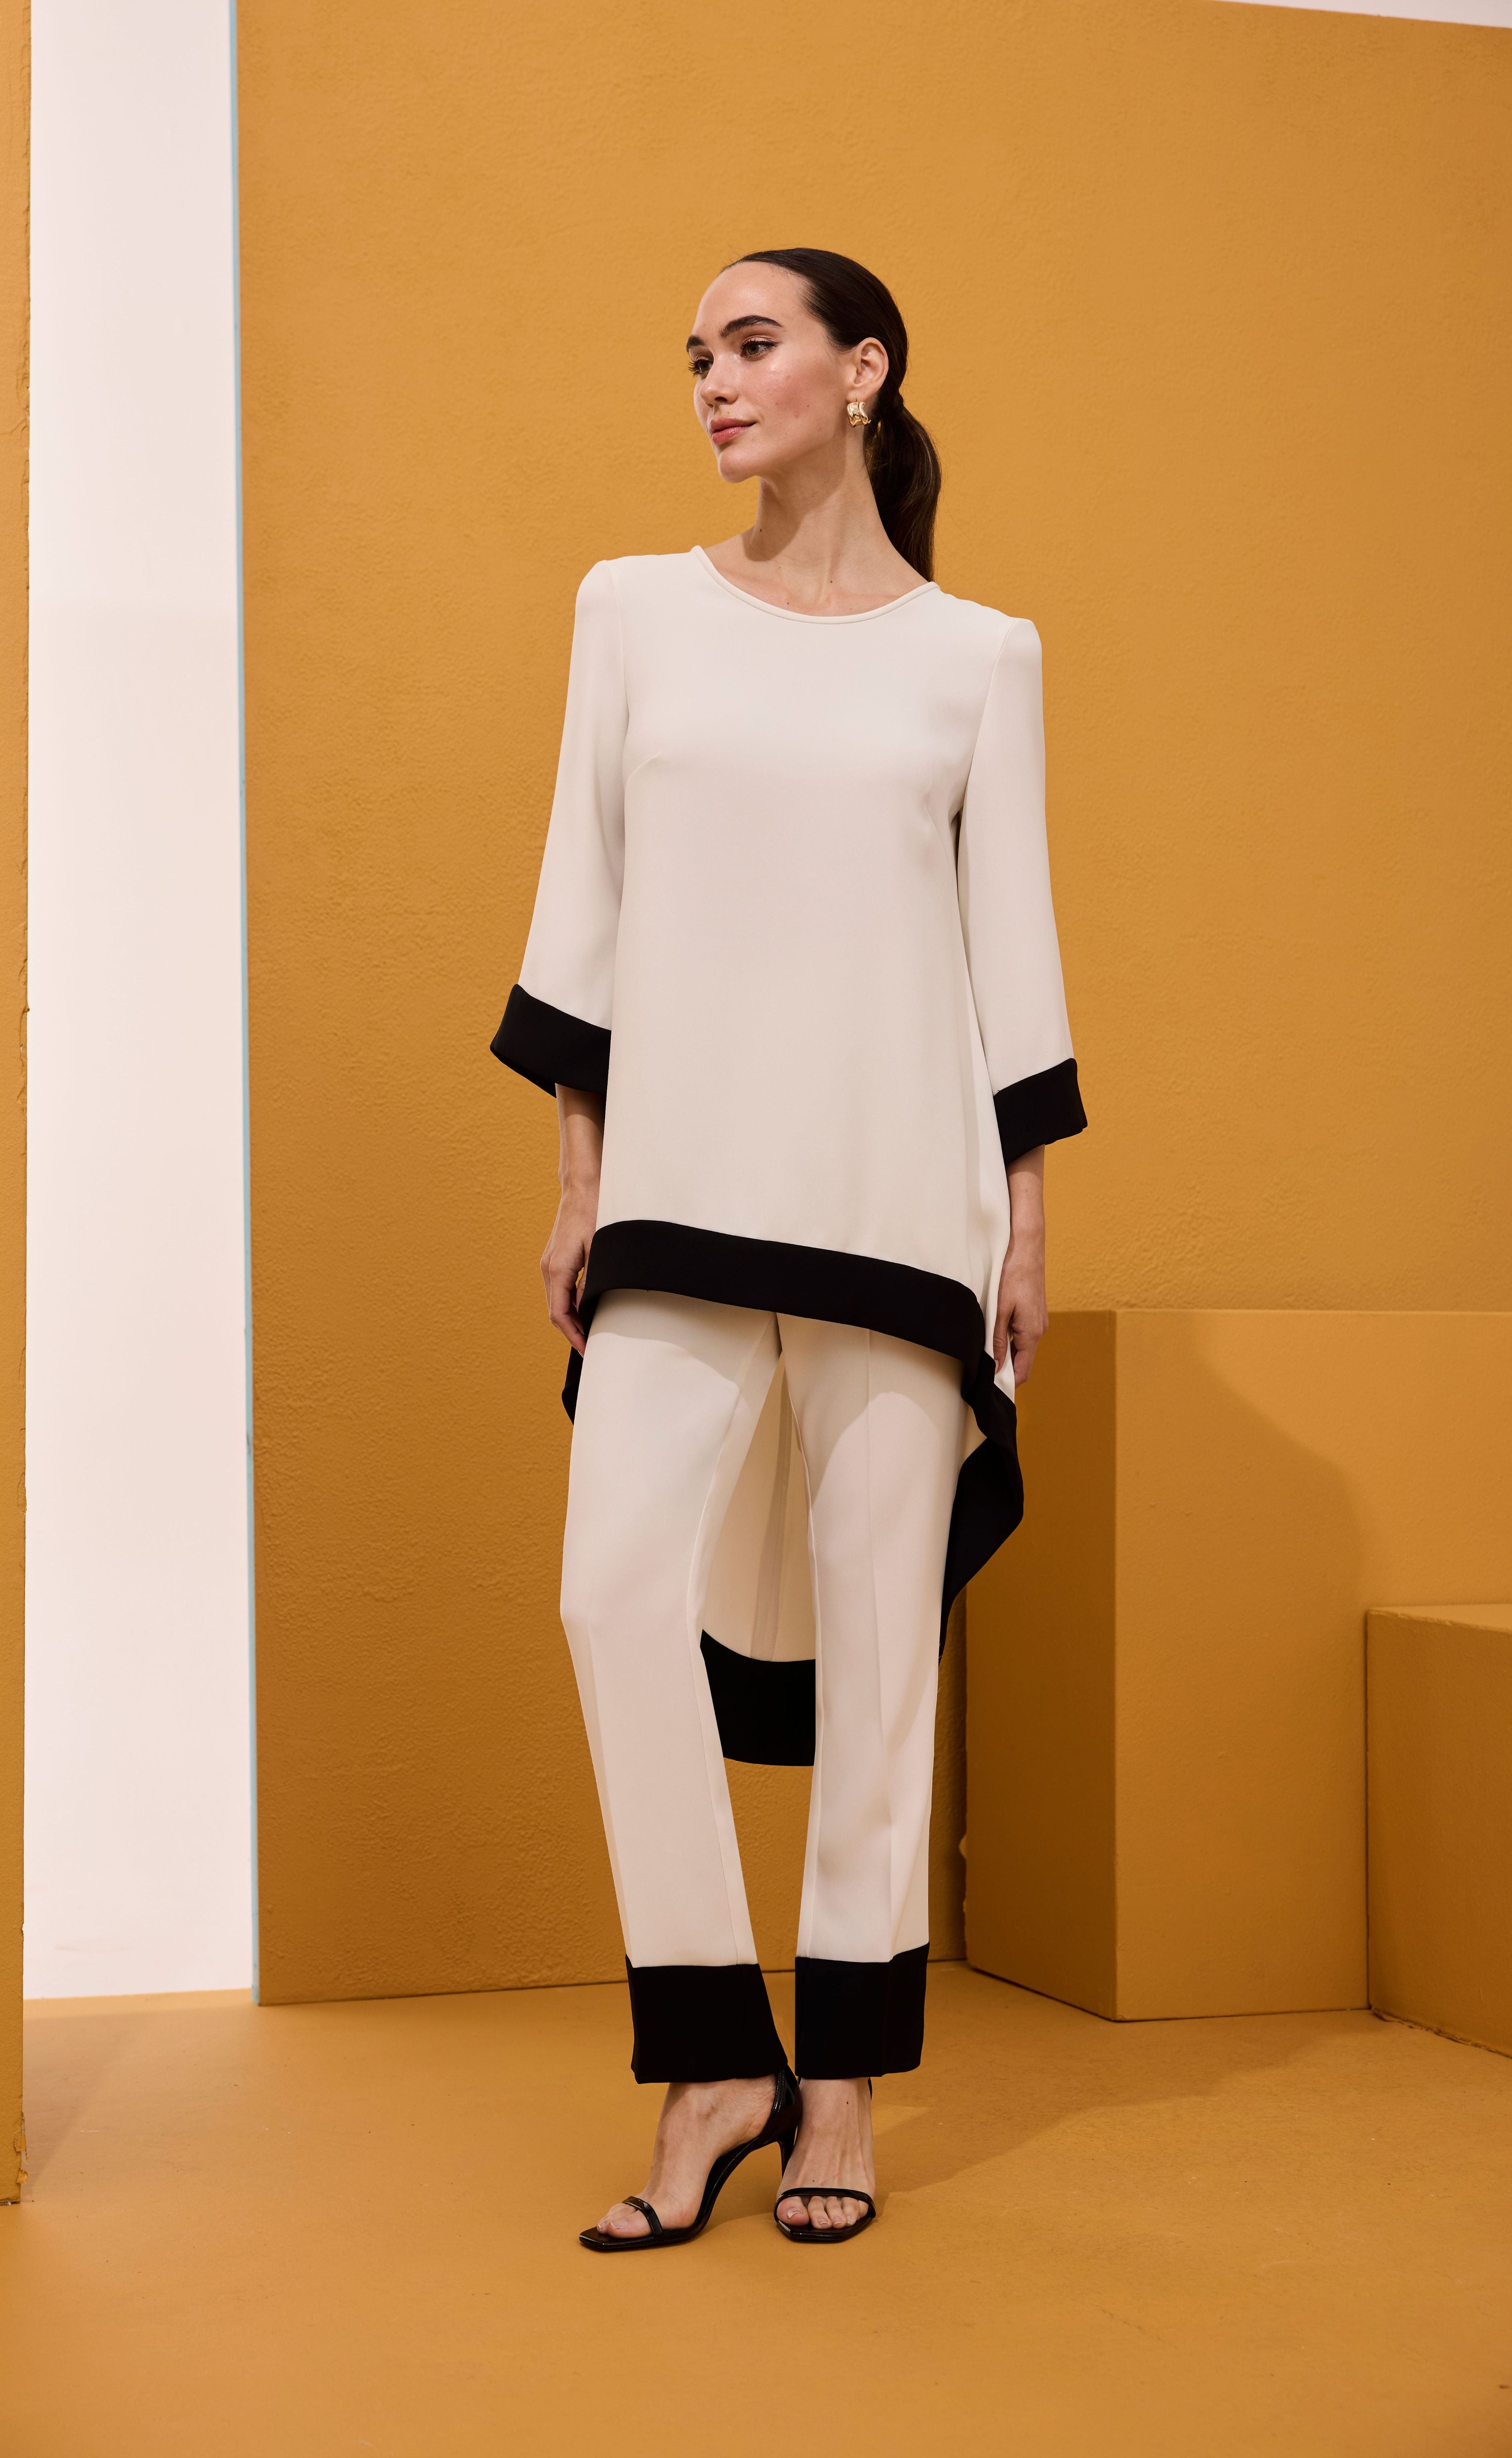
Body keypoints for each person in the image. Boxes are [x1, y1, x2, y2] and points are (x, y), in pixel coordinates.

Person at [491, 247, 1085, 2250]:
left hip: (901, 1202)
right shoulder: (632, 610)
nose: (714, 383)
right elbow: (584, 895)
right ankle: (710, 2061)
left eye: (751, 345)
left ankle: (835, 2090)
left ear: (863, 370)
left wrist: (1023, 1221)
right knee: (611, 1595)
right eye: (697, 356)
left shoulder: (977, 655)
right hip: (677, 1180)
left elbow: (1011, 950)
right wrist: (577, 1178)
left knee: (881, 1651)